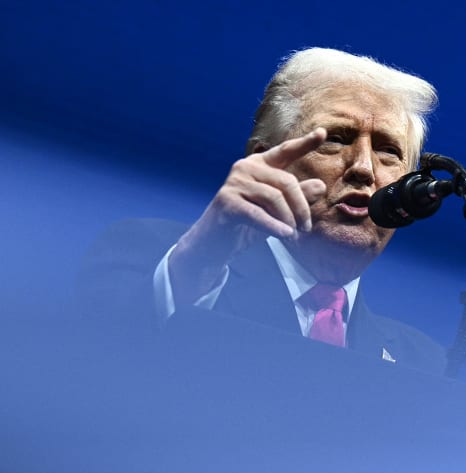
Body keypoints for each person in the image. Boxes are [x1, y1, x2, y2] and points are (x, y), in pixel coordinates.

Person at [77, 48, 446, 374]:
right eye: (335, 138)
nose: (364, 168)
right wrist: (200, 260)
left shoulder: (421, 362)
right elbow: (94, 369)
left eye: (388, 151)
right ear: (265, 162)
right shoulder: (154, 255)